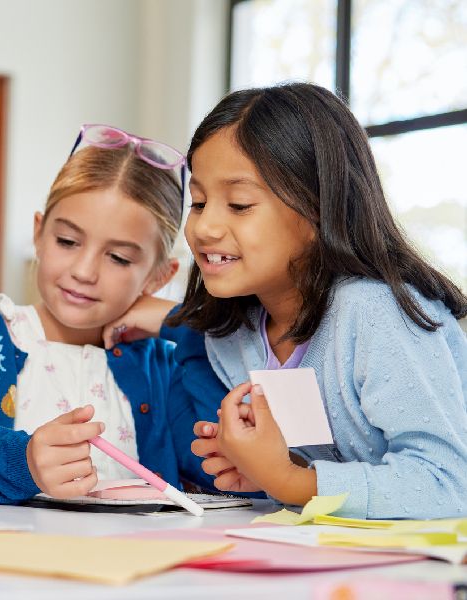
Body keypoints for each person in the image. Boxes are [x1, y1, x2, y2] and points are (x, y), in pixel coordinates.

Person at [111, 83, 467, 519]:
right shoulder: (236, 337)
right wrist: (268, 472)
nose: (204, 228)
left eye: (239, 204)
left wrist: (289, 480)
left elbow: (448, 485)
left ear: (318, 208)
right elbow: (338, 477)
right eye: (200, 202)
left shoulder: (376, 313)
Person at [0, 125, 222, 503]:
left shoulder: (164, 370)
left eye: (118, 257)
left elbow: (226, 472)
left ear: (157, 276)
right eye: (67, 241)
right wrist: (23, 464)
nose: (83, 271)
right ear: (39, 233)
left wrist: (181, 326)